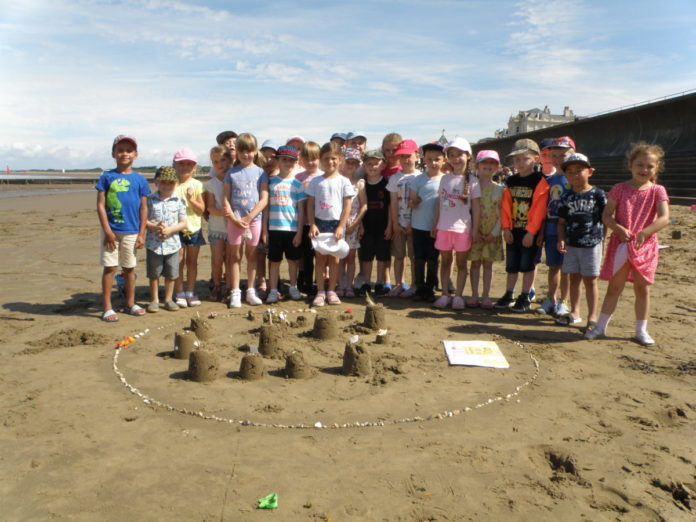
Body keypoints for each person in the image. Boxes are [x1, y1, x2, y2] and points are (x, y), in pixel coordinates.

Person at [586, 143, 670, 345]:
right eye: (640, 165)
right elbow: (606, 215)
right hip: (621, 244)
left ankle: (641, 330)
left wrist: (645, 232)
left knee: (643, 289)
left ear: (656, 168)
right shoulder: (619, 189)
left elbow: (664, 217)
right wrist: (618, 228)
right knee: (615, 288)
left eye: (650, 166)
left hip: (645, 246)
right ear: (630, 165)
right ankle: (600, 327)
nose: (644, 170)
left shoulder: (657, 190)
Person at [96, 135, 150, 322]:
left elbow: (144, 208)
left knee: (129, 268)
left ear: (135, 154)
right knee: (110, 267)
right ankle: (107, 307)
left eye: (129, 150)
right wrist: (108, 232)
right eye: (120, 150)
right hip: (111, 231)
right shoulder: (107, 177)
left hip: (132, 231)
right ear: (113, 153)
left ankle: (130, 303)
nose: (124, 153)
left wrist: (141, 234)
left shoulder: (140, 180)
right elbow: (101, 205)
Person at [495, 139, 549, 312]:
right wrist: (506, 228)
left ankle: (525, 295)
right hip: (513, 230)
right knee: (512, 266)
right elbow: (505, 206)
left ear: (536, 159)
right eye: (516, 159)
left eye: (524, 158)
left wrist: (532, 232)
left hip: (529, 233)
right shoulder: (511, 181)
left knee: (528, 265)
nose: (519, 163)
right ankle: (509, 293)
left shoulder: (540, 181)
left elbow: (540, 208)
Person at [556, 153, 607, 331]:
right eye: (570, 172)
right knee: (574, 278)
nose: (575, 175)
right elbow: (561, 222)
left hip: (592, 244)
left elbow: (605, 219)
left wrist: (603, 242)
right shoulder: (566, 197)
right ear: (565, 175)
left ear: (590, 172)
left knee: (591, 280)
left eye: (579, 170)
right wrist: (561, 240)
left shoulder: (598, 194)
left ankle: (592, 317)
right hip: (572, 244)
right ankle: (575, 312)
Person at [305, 142, 356, 306]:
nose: (330, 162)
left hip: (336, 224)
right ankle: (320, 291)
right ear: (321, 160)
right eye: (326, 159)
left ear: (340, 159)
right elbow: (310, 205)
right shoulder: (315, 181)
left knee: (335, 260)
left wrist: (341, 226)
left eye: (334, 158)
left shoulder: (344, 181)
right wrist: (312, 224)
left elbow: (347, 205)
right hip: (319, 224)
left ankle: (332, 290)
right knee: (319, 260)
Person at [432, 138, 480, 309]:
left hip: (462, 230)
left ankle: (458, 296)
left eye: (459, 154)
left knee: (461, 264)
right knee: (444, 262)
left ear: (468, 156)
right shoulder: (445, 179)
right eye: (451, 155)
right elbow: (439, 203)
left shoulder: (473, 181)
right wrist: (435, 224)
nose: (455, 158)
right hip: (444, 228)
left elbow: (476, 209)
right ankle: (444, 294)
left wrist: (474, 230)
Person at [223, 133, 269, 308]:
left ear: (255, 151)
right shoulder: (231, 173)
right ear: (237, 152)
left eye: (249, 151)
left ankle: (250, 290)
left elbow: (264, 199)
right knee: (234, 256)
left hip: (254, 221)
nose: (245, 154)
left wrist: (249, 217)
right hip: (235, 222)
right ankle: (235, 291)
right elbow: (226, 198)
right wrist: (234, 219)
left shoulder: (261, 173)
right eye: (242, 150)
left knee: (252, 256)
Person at [535, 137, 574, 317]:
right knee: (553, 266)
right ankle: (551, 298)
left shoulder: (575, 180)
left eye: (563, 155)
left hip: (569, 230)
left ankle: (564, 301)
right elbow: (543, 208)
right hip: (550, 228)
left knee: (567, 268)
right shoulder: (549, 180)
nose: (558, 158)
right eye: (555, 155)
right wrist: (541, 232)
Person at [263, 145, 305, 303]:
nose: (287, 163)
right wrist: (265, 231)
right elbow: (266, 208)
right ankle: (273, 290)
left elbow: (301, 211)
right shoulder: (271, 182)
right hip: (274, 228)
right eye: (284, 159)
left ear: (295, 163)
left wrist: (300, 232)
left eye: (291, 161)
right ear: (278, 161)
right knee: (274, 261)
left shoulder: (297, 184)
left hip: (292, 229)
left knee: (293, 260)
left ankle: (293, 287)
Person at [145, 167, 188, 312]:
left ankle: (168, 299)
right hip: (154, 244)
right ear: (156, 182)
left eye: (170, 183)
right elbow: (144, 220)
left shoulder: (179, 201)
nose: (167, 186)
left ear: (176, 184)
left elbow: (183, 223)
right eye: (163, 182)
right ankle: (154, 300)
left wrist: (170, 229)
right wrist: (154, 226)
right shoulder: (150, 200)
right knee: (154, 273)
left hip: (173, 244)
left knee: (171, 273)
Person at [409, 142, 446, 302]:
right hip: (418, 226)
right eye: (430, 159)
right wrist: (415, 201)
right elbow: (411, 202)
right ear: (424, 159)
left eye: (437, 159)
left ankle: (430, 288)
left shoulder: (445, 180)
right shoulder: (418, 180)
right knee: (419, 258)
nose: (433, 163)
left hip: (436, 227)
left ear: (443, 160)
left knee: (433, 258)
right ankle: (419, 287)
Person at [468, 150, 504, 309]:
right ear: (477, 166)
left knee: (488, 265)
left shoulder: (500, 189)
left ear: (497, 167)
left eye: (492, 163)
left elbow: (502, 215)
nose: (488, 166)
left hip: (492, 233)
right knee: (475, 264)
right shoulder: (470, 187)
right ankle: (474, 295)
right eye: (484, 162)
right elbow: (466, 211)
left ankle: (486, 295)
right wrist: (473, 231)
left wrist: (494, 233)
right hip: (475, 233)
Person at [172, 148, 205, 307]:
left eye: (189, 164)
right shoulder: (171, 185)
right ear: (175, 165)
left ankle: (190, 291)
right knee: (178, 261)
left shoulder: (197, 184)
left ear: (194, 167)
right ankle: (179, 292)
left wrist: (191, 199)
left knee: (192, 262)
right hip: (176, 229)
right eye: (181, 164)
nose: (185, 167)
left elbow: (201, 209)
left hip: (194, 229)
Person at [386, 139, 419, 298]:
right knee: (399, 256)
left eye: (409, 155)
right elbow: (392, 203)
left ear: (416, 155)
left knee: (413, 257)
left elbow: (421, 203)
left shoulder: (421, 177)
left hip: (416, 224)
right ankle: (399, 283)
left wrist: (413, 224)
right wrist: (394, 224)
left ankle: (414, 285)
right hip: (399, 223)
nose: (406, 159)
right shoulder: (394, 178)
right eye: (402, 156)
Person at [358, 149, 392, 295]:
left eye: (375, 163)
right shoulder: (362, 184)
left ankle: (379, 282)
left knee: (382, 256)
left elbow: (391, 206)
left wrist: (390, 226)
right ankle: (366, 282)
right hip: (366, 226)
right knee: (366, 257)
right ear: (364, 166)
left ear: (383, 165)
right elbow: (359, 207)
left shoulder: (387, 183)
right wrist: (359, 225)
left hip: (383, 225)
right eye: (369, 164)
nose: (372, 167)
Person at [337, 148, 367, 297]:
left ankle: (349, 286)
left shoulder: (359, 183)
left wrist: (357, 224)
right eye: (349, 161)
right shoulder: (337, 179)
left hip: (353, 223)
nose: (351, 165)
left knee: (351, 257)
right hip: (338, 224)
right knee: (339, 256)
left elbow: (364, 205)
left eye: (354, 163)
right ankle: (340, 285)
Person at [204, 145, 232, 302]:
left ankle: (229, 288)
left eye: (223, 160)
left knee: (230, 260)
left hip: (232, 229)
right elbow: (210, 207)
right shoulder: (211, 184)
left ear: (229, 160)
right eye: (216, 162)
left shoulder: (235, 179)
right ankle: (216, 286)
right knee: (216, 260)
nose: (220, 164)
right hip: (216, 228)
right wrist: (224, 213)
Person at [295, 141, 323, 294]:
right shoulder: (298, 177)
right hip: (301, 222)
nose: (311, 162)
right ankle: (303, 279)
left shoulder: (322, 176)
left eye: (314, 158)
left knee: (316, 254)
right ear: (301, 160)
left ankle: (314, 281)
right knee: (303, 254)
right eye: (307, 159)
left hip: (319, 222)